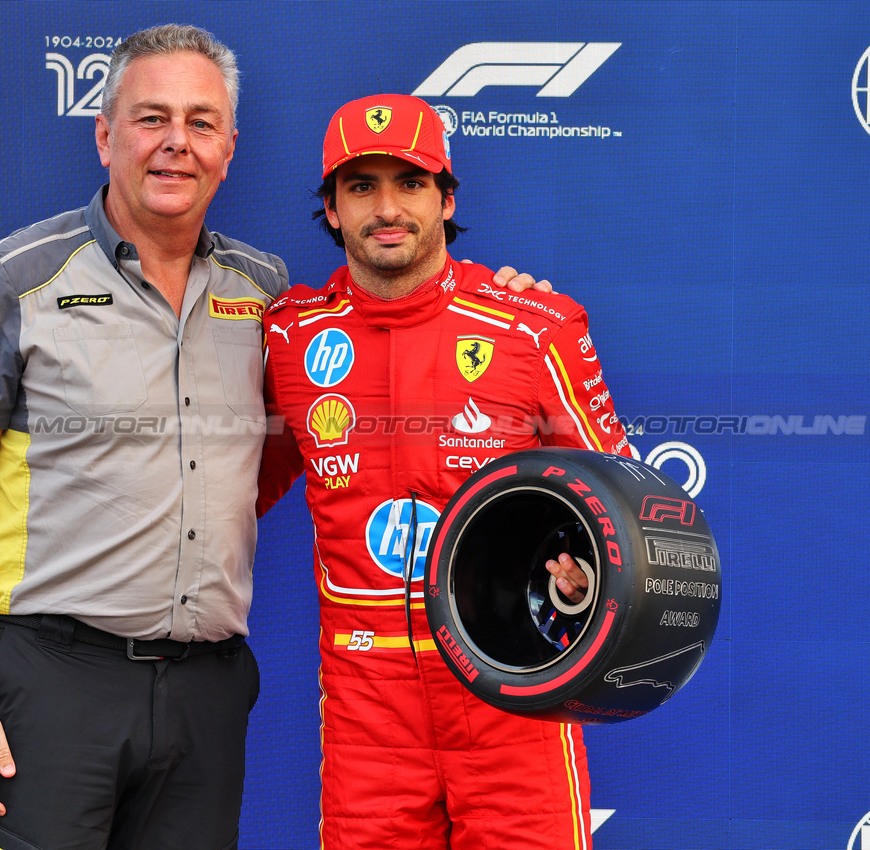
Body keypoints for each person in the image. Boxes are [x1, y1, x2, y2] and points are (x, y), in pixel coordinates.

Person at [0, 27, 545, 850]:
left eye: (201, 122)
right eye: (151, 119)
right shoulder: (16, 277)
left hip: (205, 693)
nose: (177, 143)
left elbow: (384, 323)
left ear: (229, 148)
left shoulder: (268, 297)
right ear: (105, 136)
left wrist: (505, 300)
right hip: (49, 676)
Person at [255, 94, 632, 849]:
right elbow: (232, 490)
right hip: (367, 710)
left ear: (446, 198)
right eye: (360, 186)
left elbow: (624, 499)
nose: (385, 208)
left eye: (410, 182)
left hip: (511, 686)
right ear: (330, 208)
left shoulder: (534, 327)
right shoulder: (287, 337)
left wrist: (588, 573)